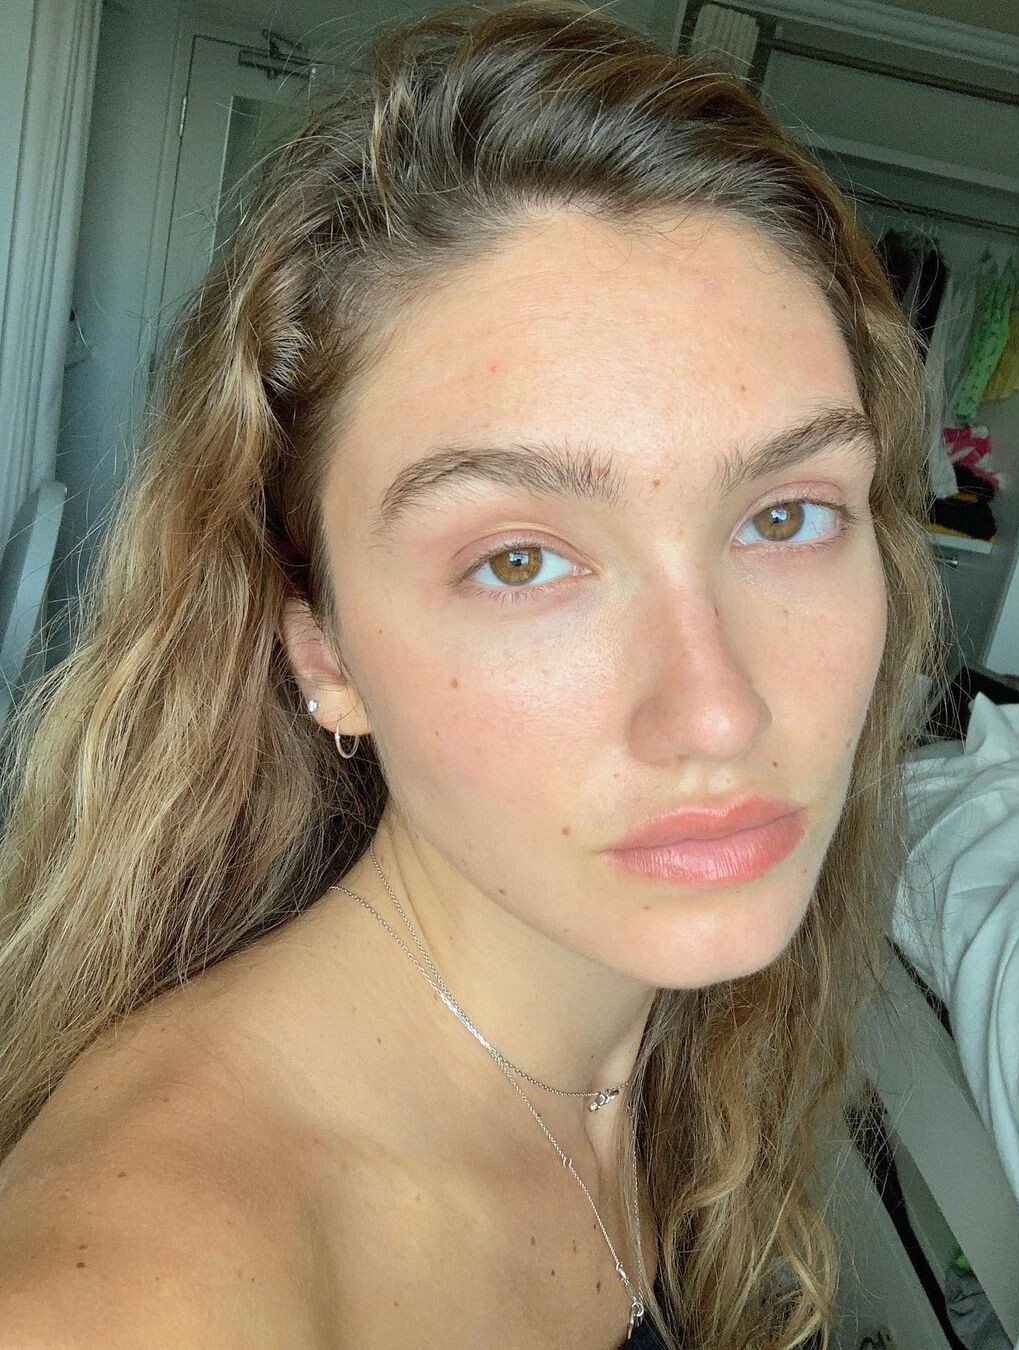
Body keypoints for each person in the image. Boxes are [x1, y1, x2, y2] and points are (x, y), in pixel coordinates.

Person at [0, 2, 944, 1347]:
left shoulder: (644, 1058)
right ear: (322, 651)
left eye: (785, 516)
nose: (720, 708)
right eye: (520, 560)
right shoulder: (158, 1284)